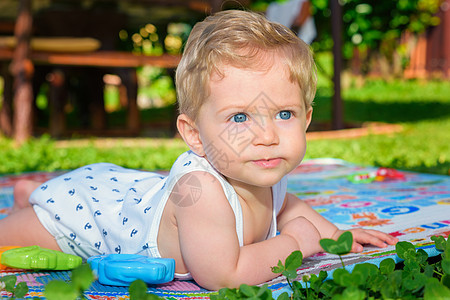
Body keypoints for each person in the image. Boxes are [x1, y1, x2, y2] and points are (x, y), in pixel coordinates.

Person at [0, 10, 398, 290]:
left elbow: (287, 206)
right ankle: (33, 201)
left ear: (307, 118)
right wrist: (295, 243)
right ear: (194, 134)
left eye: (283, 113)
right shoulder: (203, 191)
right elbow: (222, 275)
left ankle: (27, 190)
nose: (267, 136)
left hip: (131, 192)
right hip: (87, 213)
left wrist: (335, 235)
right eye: (239, 117)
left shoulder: (260, 165)